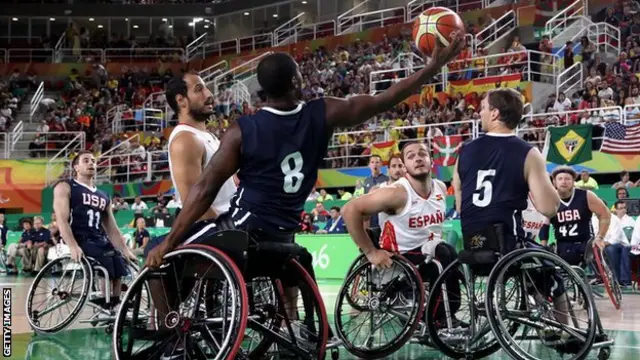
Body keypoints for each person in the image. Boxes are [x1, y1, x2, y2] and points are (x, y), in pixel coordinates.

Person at [144, 35, 463, 354]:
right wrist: (432, 68)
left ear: (262, 92)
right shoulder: (322, 113)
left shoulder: (242, 130)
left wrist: (169, 241)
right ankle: (299, 329)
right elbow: (383, 99)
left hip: (242, 232)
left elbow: (202, 191)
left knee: (160, 258)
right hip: (283, 236)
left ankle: (171, 339)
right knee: (292, 257)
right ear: (297, 81)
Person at [140, 72, 238, 357]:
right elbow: (193, 201)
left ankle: (171, 335)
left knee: (154, 251)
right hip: (221, 224)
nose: (209, 95)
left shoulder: (207, 136)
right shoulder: (184, 139)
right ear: (181, 100)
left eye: (207, 88)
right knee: (156, 247)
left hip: (224, 226)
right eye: (200, 89)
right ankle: (172, 331)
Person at [451, 88, 569, 323]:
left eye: (483, 108)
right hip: (505, 246)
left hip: (472, 243)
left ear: (495, 114)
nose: (480, 113)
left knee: (529, 257)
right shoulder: (527, 152)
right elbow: (548, 209)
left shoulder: (464, 152)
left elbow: (460, 203)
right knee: (552, 273)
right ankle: (563, 331)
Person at [342, 142, 460, 325]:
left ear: (431, 161)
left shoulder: (441, 188)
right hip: (399, 258)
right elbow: (349, 210)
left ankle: (448, 315)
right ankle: (436, 320)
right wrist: (371, 252)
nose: (418, 158)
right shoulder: (397, 193)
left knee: (450, 253)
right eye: (411, 156)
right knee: (443, 253)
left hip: (428, 253)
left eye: (422, 154)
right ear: (405, 168)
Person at [53, 151, 135, 308]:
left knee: (118, 259)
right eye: (86, 161)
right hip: (78, 238)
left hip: (98, 239)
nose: (91, 163)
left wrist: (125, 250)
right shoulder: (65, 186)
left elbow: (112, 228)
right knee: (105, 257)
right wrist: (72, 245)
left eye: (93, 161)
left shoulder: (104, 195)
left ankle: (115, 303)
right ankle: (105, 300)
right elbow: (62, 220)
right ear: (76, 167)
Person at [539, 167, 610, 267]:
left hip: (585, 243)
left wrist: (600, 237)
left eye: (567, 179)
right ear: (554, 182)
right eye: (560, 179)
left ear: (573, 182)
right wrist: (543, 244)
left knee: (595, 257)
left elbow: (604, 214)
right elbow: (544, 224)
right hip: (563, 245)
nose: (564, 182)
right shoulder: (550, 199)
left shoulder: (586, 196)